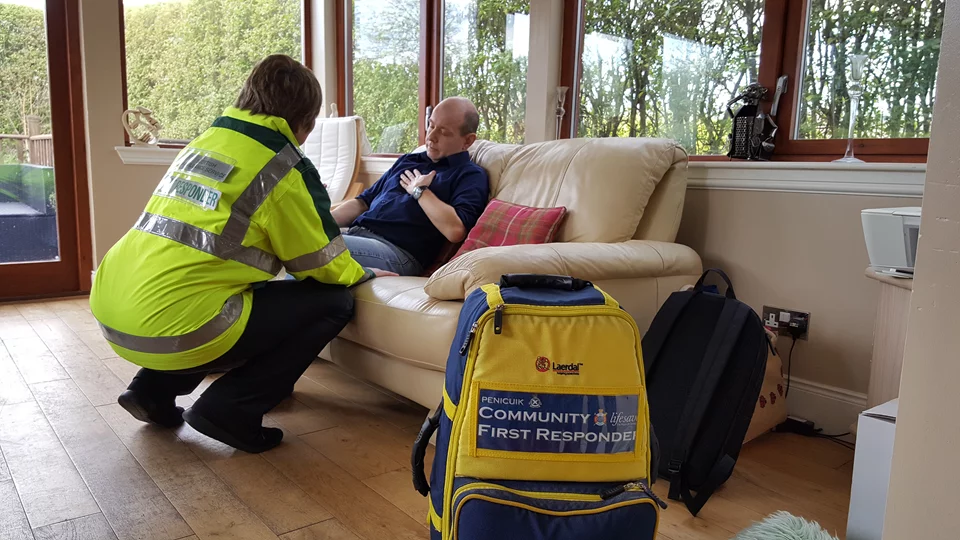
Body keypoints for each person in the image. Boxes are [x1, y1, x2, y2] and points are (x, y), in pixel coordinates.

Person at [89, 54, 395, 454]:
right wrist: (364, 275)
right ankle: (231, 409)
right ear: (304, 121)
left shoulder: (208, 142)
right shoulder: (283, 167)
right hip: (176, 327)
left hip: (113, 313)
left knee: (219, 293)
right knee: (333, 302)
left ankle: (151, 390)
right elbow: (322, 263)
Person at [331, 97, 490, 276]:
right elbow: (363, 202)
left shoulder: (470, 175)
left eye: (444, 132)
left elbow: (455, 230)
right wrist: (323, 221)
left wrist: (420, 191)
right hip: (356, 235)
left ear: (468, 141)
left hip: (396, 252)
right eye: (431, 125)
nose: (431, 137)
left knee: (317, 246)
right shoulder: (409, 160)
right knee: (309, 237)